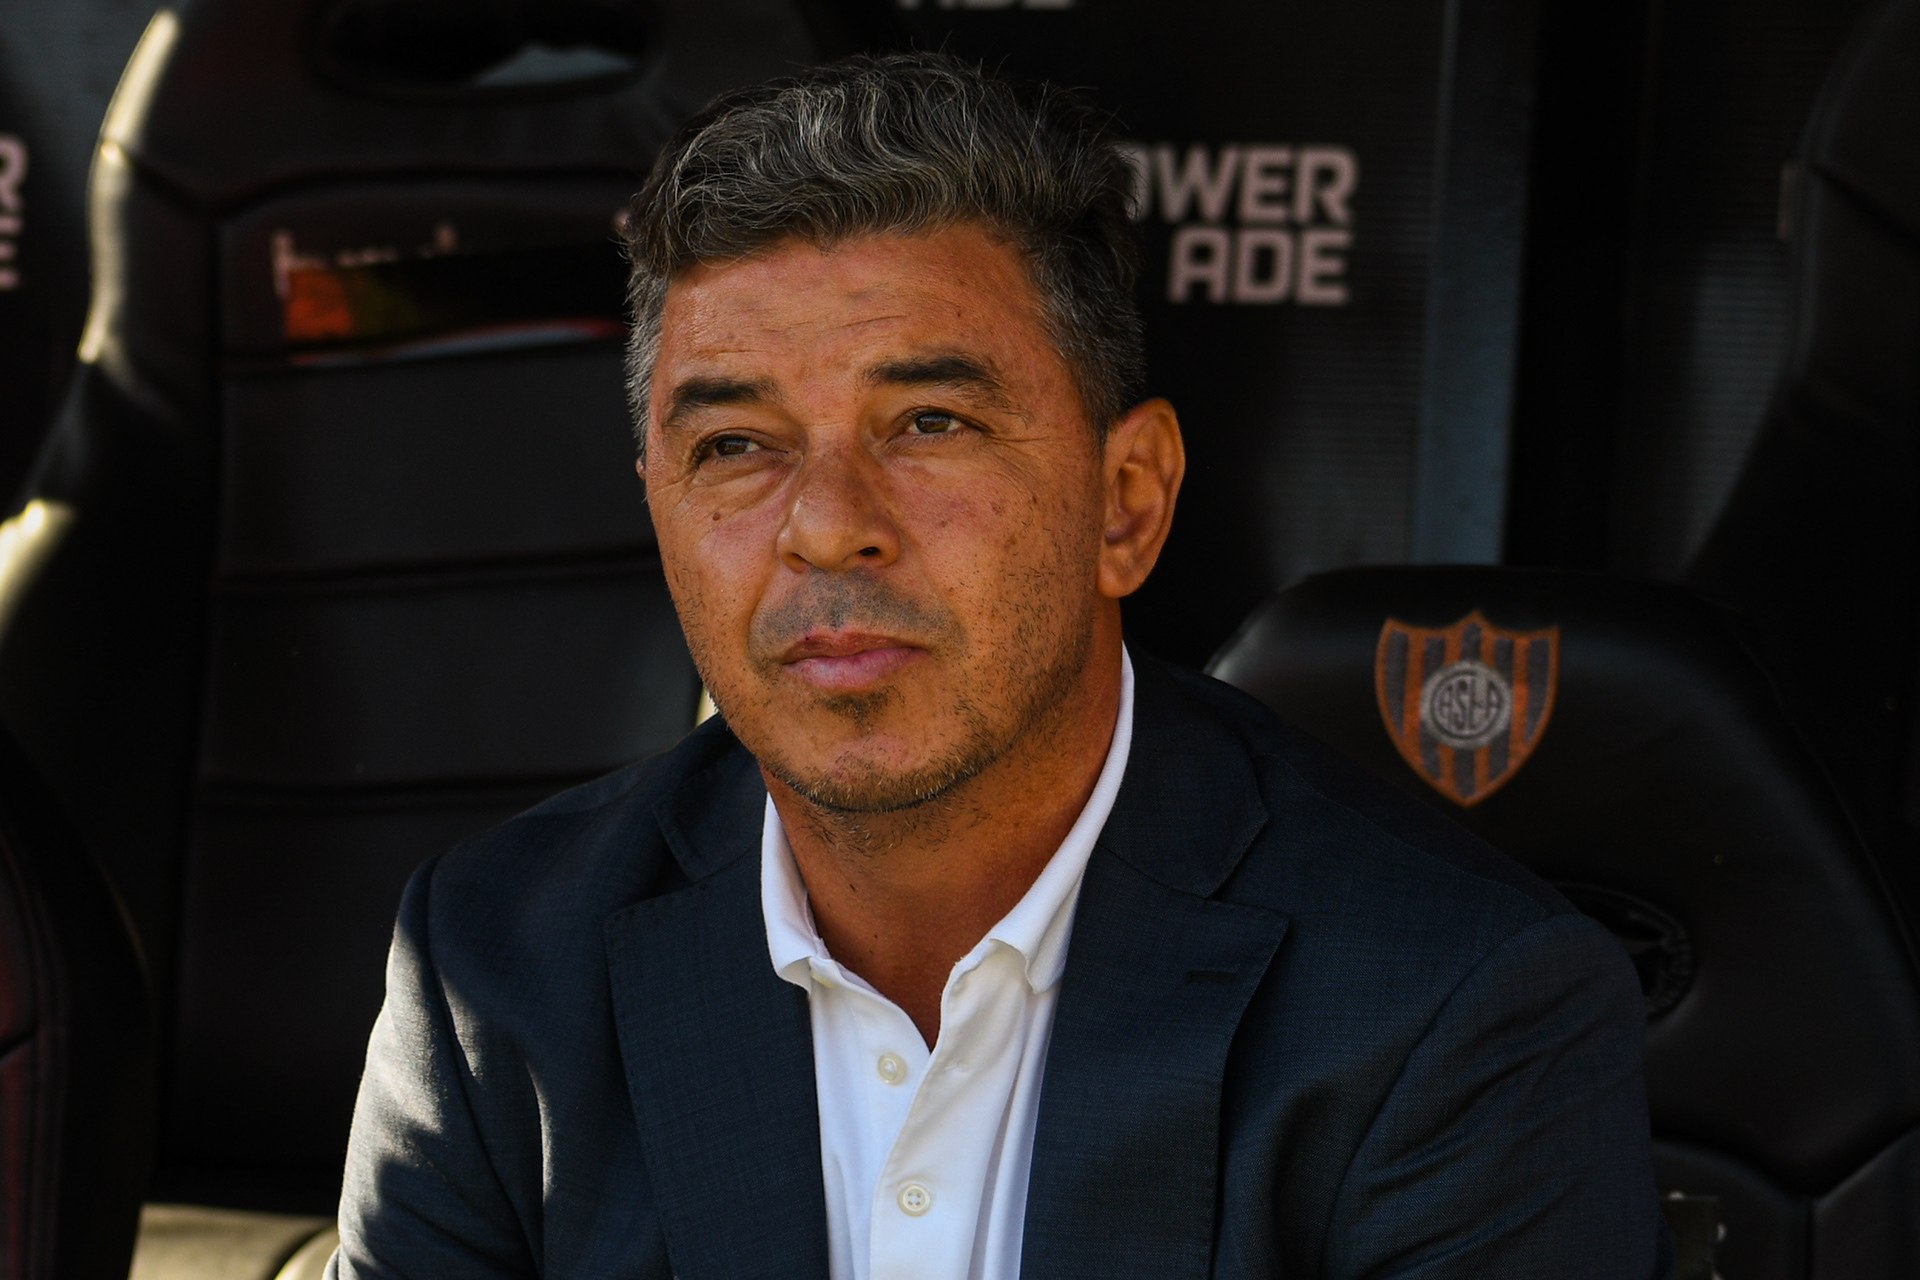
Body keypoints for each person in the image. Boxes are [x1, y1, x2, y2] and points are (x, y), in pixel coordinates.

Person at [329, 52, 1670, 1280]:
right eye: (734, 446)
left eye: (928, 422)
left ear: (1126, 502)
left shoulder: (1455, 1007)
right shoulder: (495, 971)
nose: (824, 525)